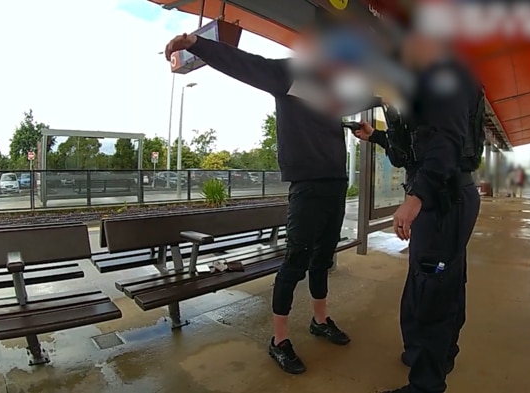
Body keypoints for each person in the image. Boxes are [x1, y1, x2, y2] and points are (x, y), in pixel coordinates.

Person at [164, 26, 378, 375]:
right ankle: (278, 340)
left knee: (323, 258)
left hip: (336, 183)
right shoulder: (290, 75)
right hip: (306, 186)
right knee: (296, 261)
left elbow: (360, 98)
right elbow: (245, 64)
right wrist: (198, 44)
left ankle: (320, 321)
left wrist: (385, 98)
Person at [355, 31, 482, 393]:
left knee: (433, 284)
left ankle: (427, 382)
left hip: (444, 197)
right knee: (439, 277)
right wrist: (376, 136)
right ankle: (434, 353)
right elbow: (412, 147)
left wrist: (417, 197)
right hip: (443, 195)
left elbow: (447, 140)